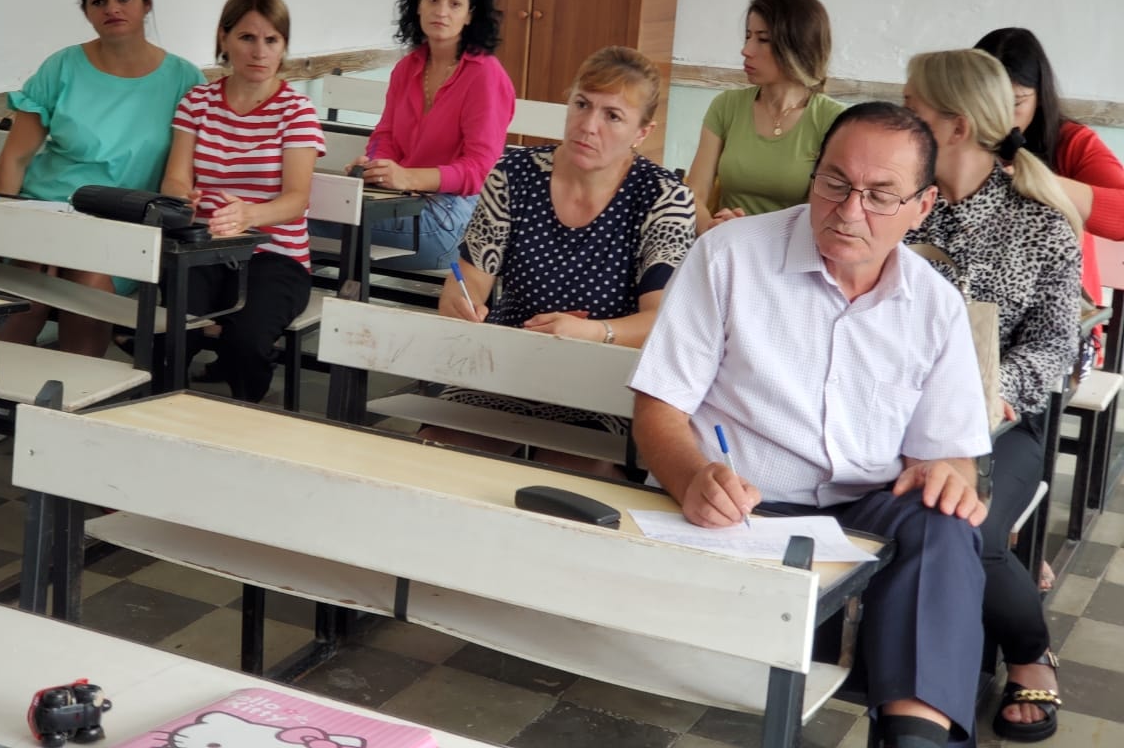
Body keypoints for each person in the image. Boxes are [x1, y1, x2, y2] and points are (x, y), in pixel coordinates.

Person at [632, 101, 993, 748]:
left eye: (881, 195)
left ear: (924, 206)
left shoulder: (934, 303)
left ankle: (916, 741)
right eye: (834, 182)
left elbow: (951, 454)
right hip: (743, 506)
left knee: (945, 527)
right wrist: (691, 477)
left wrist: (949, 475)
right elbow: (658, 408)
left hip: (867, 507)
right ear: (812, 174)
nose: (850, 211)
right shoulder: (730, 257)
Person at [902, 49, 1082, 743]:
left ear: (952, 126)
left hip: (999, 428)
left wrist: (991, 393)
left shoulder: (1039, 222)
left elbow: (1054, 349)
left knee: (966, 525)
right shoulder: (895, 198)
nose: (897, 114)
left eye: (910, 105)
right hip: (887, 416)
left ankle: (1028, 651)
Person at [436, 46, 696, 475]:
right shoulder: (513, 174)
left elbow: (661, 323)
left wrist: (591, 332)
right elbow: (466, 284)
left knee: (569, 484)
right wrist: (461, 306)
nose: (588, 126)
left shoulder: (663, 197)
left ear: (641, 132)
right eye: (581, 105)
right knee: (437, 459)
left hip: (605, 383)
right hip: (509, 366)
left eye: (612, 116)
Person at [0, 0, 206, 357]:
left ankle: (76, 401)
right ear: (87, 11)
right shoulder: (62, 67)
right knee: (31, 275)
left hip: (123, 229)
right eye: (98, 0)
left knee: (86, 278)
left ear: (147, 2)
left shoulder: (184, 79)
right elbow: (15, 159)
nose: (112, 8)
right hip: (46, 213)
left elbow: (185, 171)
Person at [160, 0, 323, 404]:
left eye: (272, 40)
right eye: (247, 38)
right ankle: (162, 412)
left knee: (246, 341)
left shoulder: (296, 111)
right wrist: (184, 199)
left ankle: (244, 418)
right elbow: (175, 179)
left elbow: (296, 199)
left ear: (284, 45)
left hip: (276, 256)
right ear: (224, 38)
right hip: (204, 248)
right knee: (174, 331)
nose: (259, 51)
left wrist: (249, 214)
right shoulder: (197, 102)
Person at [347, 0, 515, 269]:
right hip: (403, 201)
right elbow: (386, 136)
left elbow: (480, 170)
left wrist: (407, 176)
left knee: (312, 218)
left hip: (457, 217)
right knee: (322, 211)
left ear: (469, 16)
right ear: (418, 6)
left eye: (455, 4)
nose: (441, 11)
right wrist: (376, 168)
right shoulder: (405, 69)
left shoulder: (485, 75)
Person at [975, 26, 1124, 336]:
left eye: (1016, 102)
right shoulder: (954, 139)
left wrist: (1044, 184)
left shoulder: (1070, 142)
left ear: (1040, 97)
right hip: (974, 315)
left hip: (1059, 326)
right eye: (987, 100)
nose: (1000, 115)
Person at [685, 0, 845, 233]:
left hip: (790, 255)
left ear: (797, 46)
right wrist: (711, 229)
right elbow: (695, 193)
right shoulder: (726, 105)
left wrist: (750, 234)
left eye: (762, 39)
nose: (746, 50)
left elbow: (822, 216)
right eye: (748, 36)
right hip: (724, 244)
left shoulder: (834, 121)